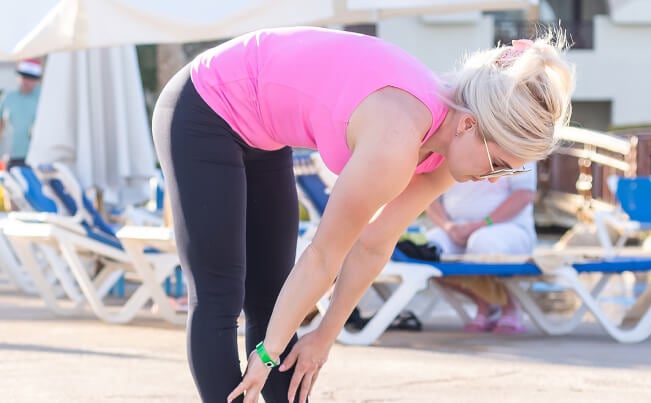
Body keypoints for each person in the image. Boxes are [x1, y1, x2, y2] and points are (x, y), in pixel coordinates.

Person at [152, 27, 573, 403]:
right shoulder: (395, 141)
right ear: (467, 126)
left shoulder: (447, 150)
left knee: (272, 299)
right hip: (204, 106)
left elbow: (374, 243)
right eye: (499, 163)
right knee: (220, 294)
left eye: (511, 171)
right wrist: (264, 354)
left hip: (264, 134)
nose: (497, 179)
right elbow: (323, 256)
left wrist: (324, 337)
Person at [425, 162, 537, 334]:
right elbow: (428, 194)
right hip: (456, 227)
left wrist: (481, 224)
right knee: (426, 250)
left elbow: (524, 195)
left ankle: (508, 308)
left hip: (509, 227)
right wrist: (447, 226)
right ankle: (486, 303)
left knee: (482, 243)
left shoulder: (521, 139)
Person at [0, 59, 42, 169]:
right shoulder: (8, 96)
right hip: (10, 157)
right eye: (24, 76)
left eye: (31, 78)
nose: (26, 81)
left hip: (36, 157)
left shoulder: (43, 97)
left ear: (37, 80)